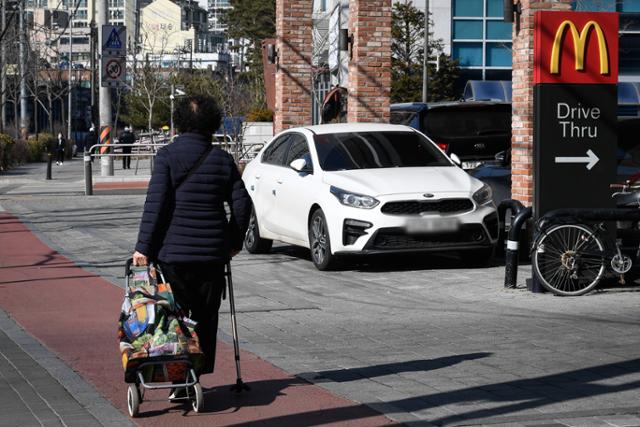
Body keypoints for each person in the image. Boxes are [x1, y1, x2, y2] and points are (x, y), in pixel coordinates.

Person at [131, 95, 251, 398]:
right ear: (212, 124)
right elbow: (242, 204)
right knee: (206, 317)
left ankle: (179, 377)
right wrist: (233, 242)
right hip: (212, 255)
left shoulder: (168, 157)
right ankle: (196, 373)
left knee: (176, 318)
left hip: (173, 255)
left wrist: (143, 247)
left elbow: (155, 206)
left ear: (179, 122)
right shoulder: (222, 160)